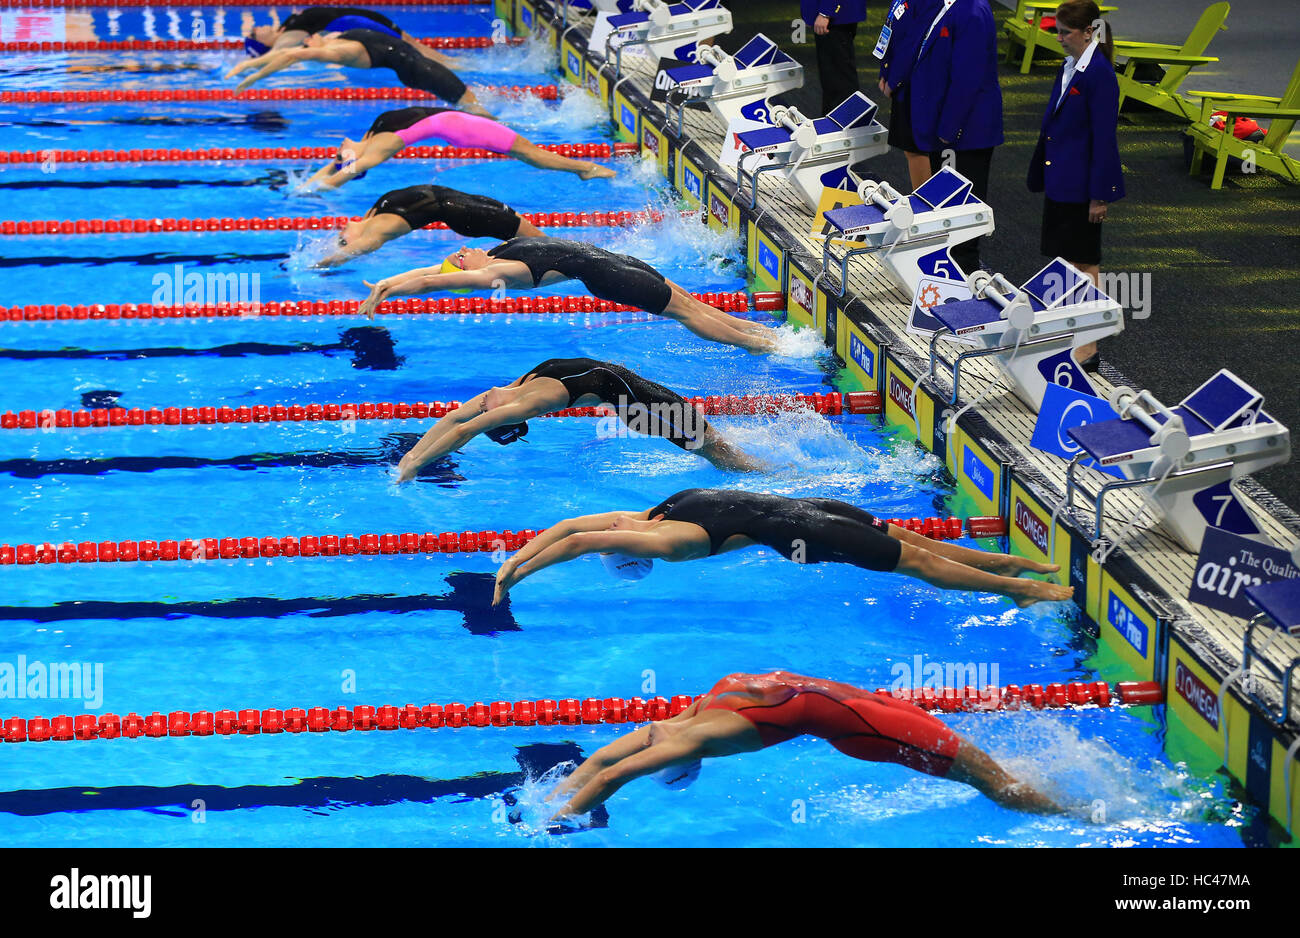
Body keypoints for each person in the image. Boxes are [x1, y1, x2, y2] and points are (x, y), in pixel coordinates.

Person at [547, 670, 1061, 821]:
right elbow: (601, 762)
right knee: (986, 773)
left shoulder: (690, 741)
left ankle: (1082, 814)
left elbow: (613, 776)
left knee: (994, 783)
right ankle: (1073, 805)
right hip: (865, 708)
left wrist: (558, 816)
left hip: (865, 728)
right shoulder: (694, 711)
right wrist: (563, 789)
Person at [491, 487, 1074, 607]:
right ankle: (1005, 566)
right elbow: (573, 527)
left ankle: (1016, 589)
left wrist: (519, 574)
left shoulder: (668, 543)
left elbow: (581, 538)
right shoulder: (655, 513)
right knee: (910, 541)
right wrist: (516, 557)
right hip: (812, 509)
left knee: (917, 561)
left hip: (807, 532)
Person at [357, 238, 778, 353]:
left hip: (614, 259)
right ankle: (756, 346)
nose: (460, 249)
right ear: (468, 270)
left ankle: (762, 335)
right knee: (684, 312)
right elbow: (434, 282)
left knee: (688, 301)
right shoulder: (496, 272)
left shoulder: (494, 254)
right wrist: (392, 297)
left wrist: (384, 283)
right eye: (459, 257)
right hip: (610, 275)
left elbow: (430, 271)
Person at [391, 358, 762, 482]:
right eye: (486, 408)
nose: (479, 402)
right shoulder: (520, 401)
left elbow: (460, 422)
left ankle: (757, 466)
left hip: (638, 398)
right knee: (710, 449)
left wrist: (411, 461)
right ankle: (761, 469)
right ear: (497, 416)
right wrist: (414, 463)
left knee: (712, 445)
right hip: (638, 405)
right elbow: (461, 425)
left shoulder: (516, 393)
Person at [1027, 0, 1124, 368]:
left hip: (1083, 187)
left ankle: (1088, 349)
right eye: (1057, 32)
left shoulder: (1099, 75)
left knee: (1085, 265)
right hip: (1061, 180)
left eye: (1065, 33)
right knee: (1066, 262)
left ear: (1088, 32)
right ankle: (1074, 338)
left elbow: (1104, 138)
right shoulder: (1071, 67)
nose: (1060, 39)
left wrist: (1099, 195)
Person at [302, 106, 615, 192]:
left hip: (459, 124)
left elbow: (345, 165)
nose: (338, 151)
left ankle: (584, 169)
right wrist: (326, 183)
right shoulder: (380, 146)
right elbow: (352, 169)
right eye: (339, 156)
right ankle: (586, 169)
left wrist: (313, 181)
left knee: (529, 153)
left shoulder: (374, 131)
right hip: (461, 127)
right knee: (531, 154)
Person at [905, 0, 1002, 274]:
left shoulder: (971, 12)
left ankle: (965, 279)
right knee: (948, 209)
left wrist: (949, 129)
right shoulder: (950, 6)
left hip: (966, 132)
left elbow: (967, 79)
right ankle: (950, 274)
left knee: (962, 213)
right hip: (953, 127)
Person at [226, 29, 486, 116]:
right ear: (312, 49)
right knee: (478, 112)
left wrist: (250, 65)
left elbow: (285, 55)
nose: (310, 38)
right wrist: (253, 77)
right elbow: (291, 56)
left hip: (417, 67)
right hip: (421, 69)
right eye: (308, 43)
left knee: (471, 105)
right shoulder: (332, 51)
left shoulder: (334, 40)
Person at [315, 185, 543, 267]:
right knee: (541, 244)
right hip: (467, 215)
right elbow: (342, 257)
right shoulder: (374, 235)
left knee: (542, 241)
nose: (341, 231)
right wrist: (317, 266)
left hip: (468, 202)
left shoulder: (373, 212)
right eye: (342, 240)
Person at [241, 5, 456, 67]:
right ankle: (457, 66)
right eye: (254, 33)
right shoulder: (287, 37)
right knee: (414, 48)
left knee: (414, 46)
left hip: (362, 17)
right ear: (261, 43)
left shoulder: (286, 28)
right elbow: (278, 54)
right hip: (361, 21)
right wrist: (243, 69)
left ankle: (456, 64)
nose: (257, 27)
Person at [875, 0, 940, 190]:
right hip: (906, 79)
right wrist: (886, 70)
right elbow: (895, 29)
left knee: (915, 149)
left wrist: (894, 79)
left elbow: (914, 40)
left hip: (914, 82)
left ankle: (925, 210)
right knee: (911, 149)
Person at [799, 0, 867, 117]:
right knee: (832, 77)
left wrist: (826, 12)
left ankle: (846, 123)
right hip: (833, 16)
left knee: (839, 79)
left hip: (834, 17)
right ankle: (835, 122)